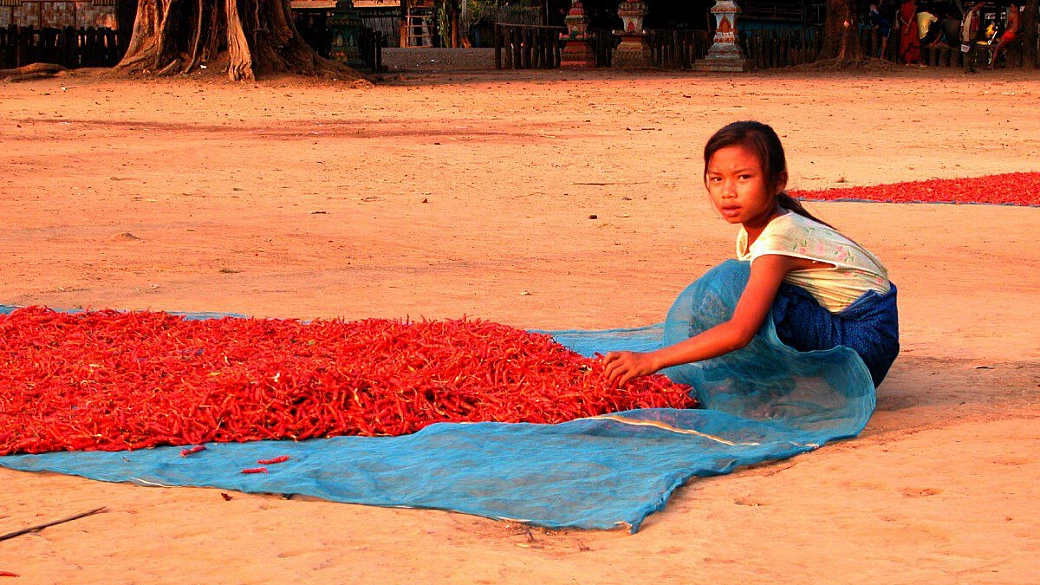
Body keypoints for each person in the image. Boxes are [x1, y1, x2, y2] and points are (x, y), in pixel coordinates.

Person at [602, 121, 900, 390]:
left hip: (862, 345)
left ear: (778, 182)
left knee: (733, 285)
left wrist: (652, 360)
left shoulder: (779, 237)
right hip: (851, 330)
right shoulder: (760, 229)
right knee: (737, 287)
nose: (728, 192)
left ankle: (788, 381)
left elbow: (740, 331)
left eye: (743, 177)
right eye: (717, 179)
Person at [989, 2, 1021, 68]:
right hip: (1014, 34)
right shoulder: (1019, 14)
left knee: (997, 48)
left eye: (1012, 7)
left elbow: (1008, 24)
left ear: (1016, 8)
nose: (1011, 8)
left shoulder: (1012, 14)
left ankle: (992, 64)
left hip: (1009, 33)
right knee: (1003, 47)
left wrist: (1005, 31)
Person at [899, 0, 924, 65]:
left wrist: (906, 25)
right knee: (912, 42)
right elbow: (911, 18)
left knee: (910, 42)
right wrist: (908, 27)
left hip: (906, 25)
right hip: (911, 26)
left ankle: (909, 61)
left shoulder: (903, 5)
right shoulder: (913, 6)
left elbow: (901, 18)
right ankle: (913, 61)